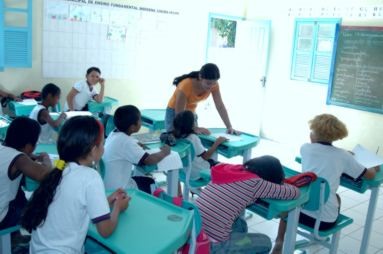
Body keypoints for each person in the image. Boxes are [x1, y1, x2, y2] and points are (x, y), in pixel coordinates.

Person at [271, 114, 379, 254]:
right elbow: (369, 176)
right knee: (336, 198)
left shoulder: (305, 148)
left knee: (294, 202)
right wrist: (374, 168)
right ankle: (320, 238)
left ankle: (280, 240)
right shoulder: (343, 156)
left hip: (295, 215)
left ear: (314, 133)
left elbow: (323, 154)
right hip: (324, 222)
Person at [21, 116, 129, 253]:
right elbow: (105, 230)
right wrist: (118, 207)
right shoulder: (91, 177)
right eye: (102, 143)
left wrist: (107, 201)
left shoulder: (59, 170)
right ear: (93, 149)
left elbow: (75, 207)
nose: (103, 147)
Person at [195, 155, 300, 253]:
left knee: (240, 224)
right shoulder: (255, 183)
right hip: (212, 245)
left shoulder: (229, 170)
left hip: (194, 234)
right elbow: (294, 192)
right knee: (266, 242)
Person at [103, 105, 170, 193]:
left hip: (108, 186)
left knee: (142, 179)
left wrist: (135, 145)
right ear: (132, 127)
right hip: (120, 191)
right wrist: (164, 152)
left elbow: (125, 145)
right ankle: (147, 205)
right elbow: (149, 160)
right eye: (140, 120)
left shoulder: (114, 133)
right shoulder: (127, 142)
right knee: (150, 183)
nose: (141, 122)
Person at [0, 117, 51, 230]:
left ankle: (14, 236)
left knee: (19, 194)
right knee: (36, 206)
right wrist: (46, 158)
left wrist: (32, 156)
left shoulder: (4, 148)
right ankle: (14, 236)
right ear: (29, 146)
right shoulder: (19, 159)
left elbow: (17, 154)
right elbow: (46, 175)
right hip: (2, 219)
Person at [165, 63, 238, 135]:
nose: (211, 86)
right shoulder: (185, 86)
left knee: (193, 138)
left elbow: (220, 106)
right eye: (208, 83)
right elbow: (179, 115)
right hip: (175, 112)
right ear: (200, 77)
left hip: (190, 113)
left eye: (214, 83)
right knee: (175, 138)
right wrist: (194, 128)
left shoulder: (214, 85)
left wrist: (229, 127)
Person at [173, 110, 226, 181]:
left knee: (213, 161)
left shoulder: (176, 137)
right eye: (195, 120)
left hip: (185, 172)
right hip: (198, 173)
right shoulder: (193, 138)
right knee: (224, 168)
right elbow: (205, 157)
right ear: (191, 124)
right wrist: (216, 143)